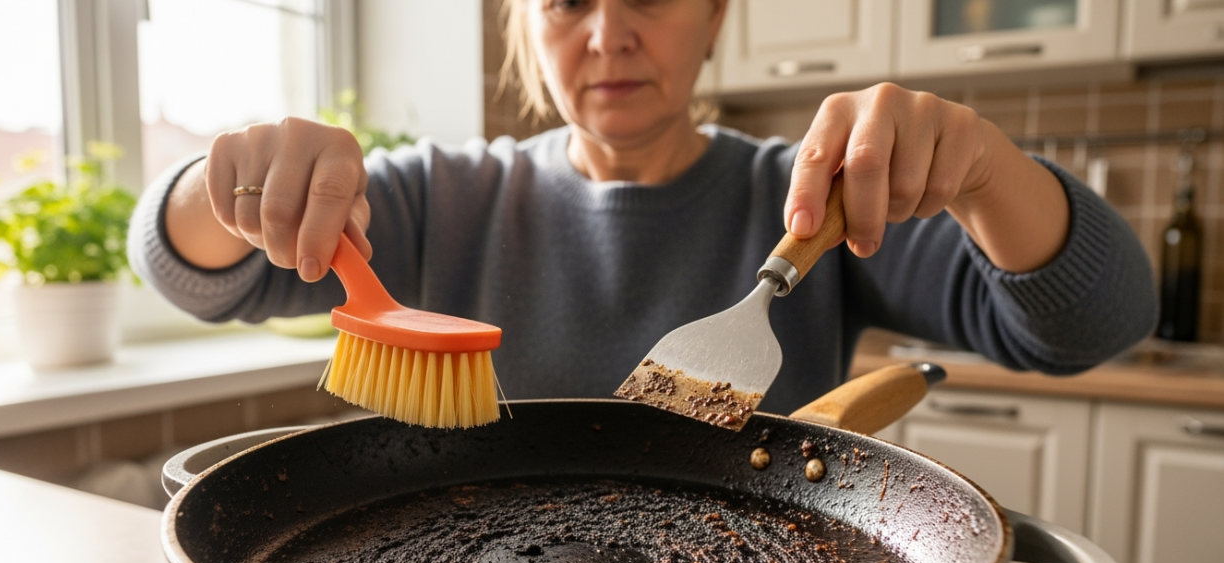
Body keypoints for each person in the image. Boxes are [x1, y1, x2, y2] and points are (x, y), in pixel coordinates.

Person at [129, 0, 1156, 415]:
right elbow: (191, 273)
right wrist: (233, 184)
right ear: (523, 28)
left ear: (714, 15)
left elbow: (1091, 326)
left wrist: (986, 169)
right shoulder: (434, 198)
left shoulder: (815, 202)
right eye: (568, 1)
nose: (608, 35)